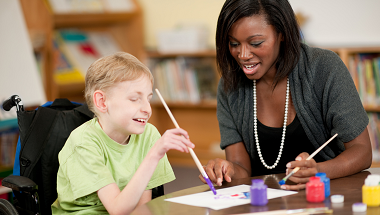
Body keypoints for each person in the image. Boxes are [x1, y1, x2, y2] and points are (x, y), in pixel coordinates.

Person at [200, 0, 372, 191]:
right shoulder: (229, 86)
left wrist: (318, 171)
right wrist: (227, 169)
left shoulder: (324, 68)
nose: (243, 54)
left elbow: (362, 151)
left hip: (325, 196)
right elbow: (242, 170)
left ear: (281, 34)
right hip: (264, 204)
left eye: (255, 43)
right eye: (233, 43)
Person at [51, 52, 195, 214]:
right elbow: (118, 211)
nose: (147, 109)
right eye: (134, 99)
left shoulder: (148, 134)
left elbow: (141, 208)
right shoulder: (83, 142)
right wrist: (154, 154)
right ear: (102, 102)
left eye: (148, 98)